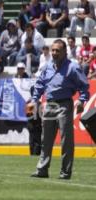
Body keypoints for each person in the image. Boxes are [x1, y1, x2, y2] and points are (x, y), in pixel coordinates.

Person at [27, 39, 89, 179]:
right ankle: (42, 170)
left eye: (57, 51)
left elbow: (84, 86)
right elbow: (40, 84)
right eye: (53, 50)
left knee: (66, 140)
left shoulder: (73, 67)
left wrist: (81, 100)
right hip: (49, 105)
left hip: (64, 105)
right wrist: (35, 99)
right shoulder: (47, 66)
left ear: (65, 52)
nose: (54, 53)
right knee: (46, 140)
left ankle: (65, 172)